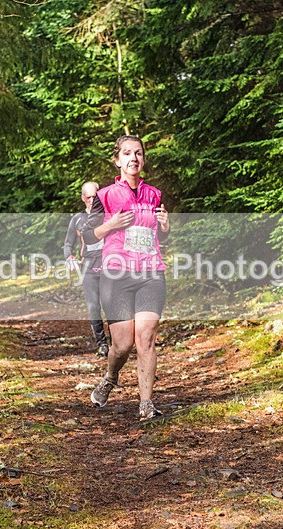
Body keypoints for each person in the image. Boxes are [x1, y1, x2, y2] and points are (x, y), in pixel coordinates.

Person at [81, 134, 170, 421]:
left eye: (139, 153)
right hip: (116, 275)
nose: (134, 158)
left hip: (150, 273)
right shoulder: (105, 195)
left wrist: (166, 226)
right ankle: (110, 377)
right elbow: (87, 234)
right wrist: (110, 225)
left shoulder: (154, 194)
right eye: (128, 154)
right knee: (122, 345)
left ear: (143, 159)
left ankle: (146, 405)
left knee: (145, 338)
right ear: (117, 160)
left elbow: (157, 232)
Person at [63, 181, 108, 358]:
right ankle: (102, 344)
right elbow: (68, 244)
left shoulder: (107, 214)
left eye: (94, 196)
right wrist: (69, 257)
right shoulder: (77, 219)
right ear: (83, 198)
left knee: (111, 305)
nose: (91, 200)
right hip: (88, 265)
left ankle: (117, 343)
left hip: (109, 263)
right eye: (88, 197)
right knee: (93, 306)